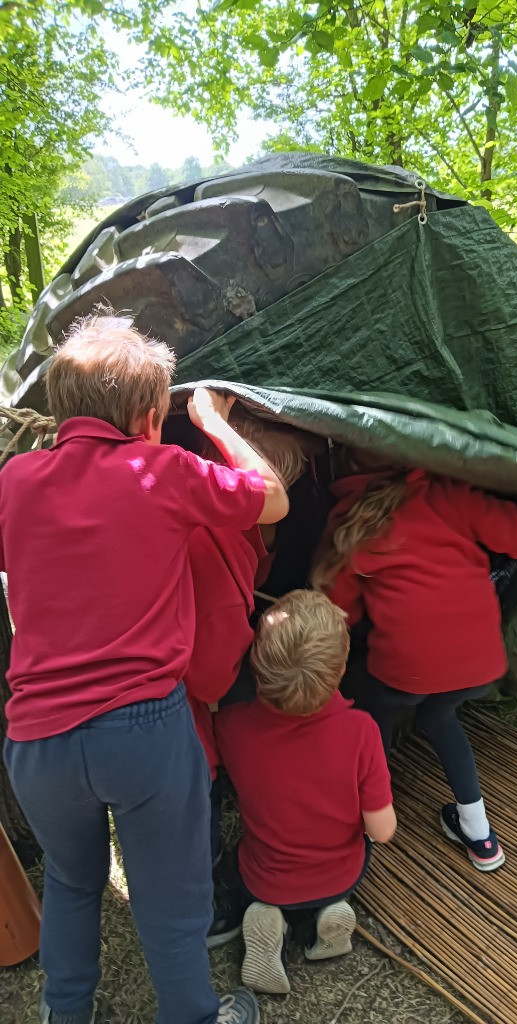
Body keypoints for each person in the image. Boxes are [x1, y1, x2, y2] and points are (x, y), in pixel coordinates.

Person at [0, 312, 289, 1024]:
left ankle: (64, 1013)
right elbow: (272, 499)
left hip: (37, 740)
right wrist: (215, 424)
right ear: (148, 415)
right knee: (170, 890)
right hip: (143, 731)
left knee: (71, 881)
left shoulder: (13, 481)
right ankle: (191, 1014)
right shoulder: (161, 468)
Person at [312, 450, 517, 872]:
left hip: (405, 669)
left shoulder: (351, 518)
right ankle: (480, 835)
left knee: (371, 720)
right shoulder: (447, 495)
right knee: (440, 717)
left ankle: (363, 819)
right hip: (477, 664)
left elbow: (342, 609)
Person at [215, 589, 396, 995]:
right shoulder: (361, 731)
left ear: (256, 668)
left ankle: (267, 917)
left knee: (250, 871)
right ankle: (330, 914)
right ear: (340, 669)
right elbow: (382, 830)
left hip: (265, 877)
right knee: (354, 856)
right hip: (340, 873)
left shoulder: (232, 726)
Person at [184, 415, 310, 947]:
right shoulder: (215, 551)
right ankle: (206, 894)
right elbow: (211, 678)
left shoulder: (224, 533)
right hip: (179, 722)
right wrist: (247, 654)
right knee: (199, 795)